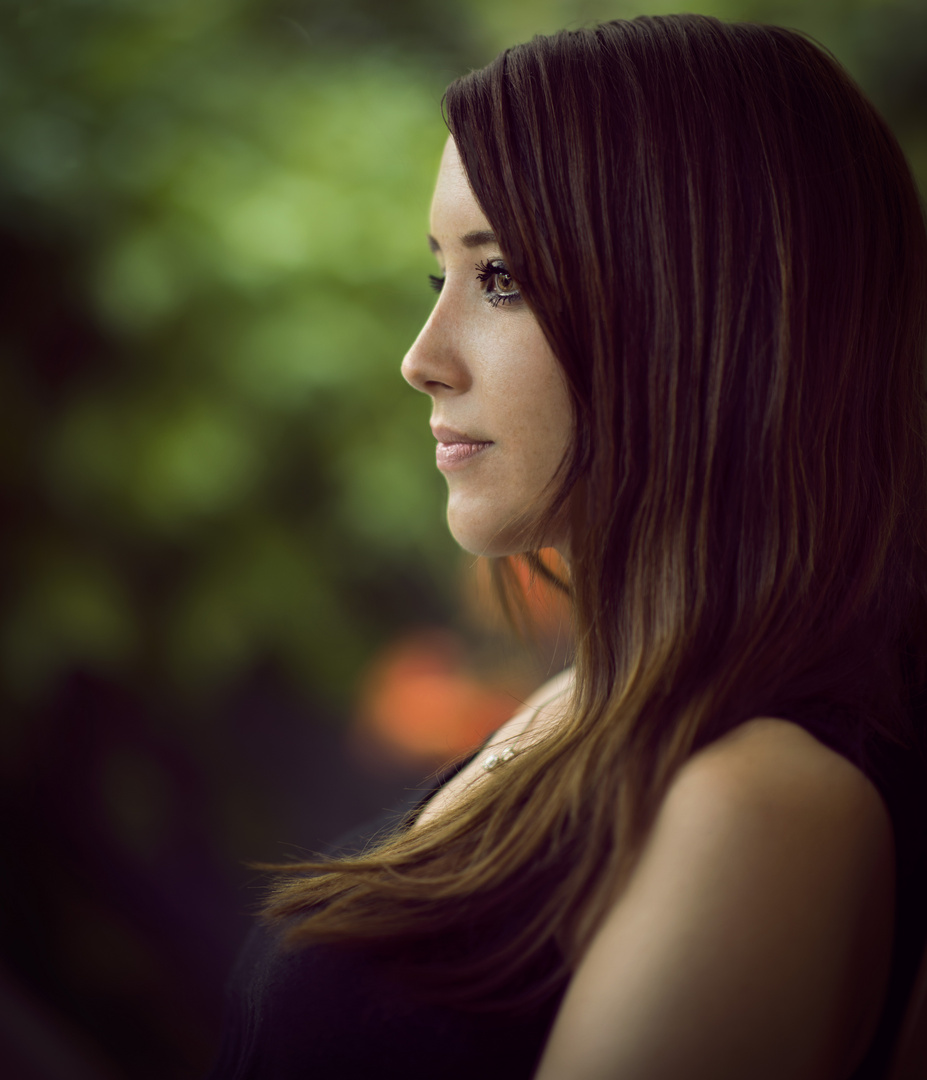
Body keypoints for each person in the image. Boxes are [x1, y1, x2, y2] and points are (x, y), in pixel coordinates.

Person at [208, 14, 927, 1079]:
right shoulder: (591, 706)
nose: (423, 359)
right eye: (436, 277)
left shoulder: (762, 806)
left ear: (698, 317)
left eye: (503, 280)